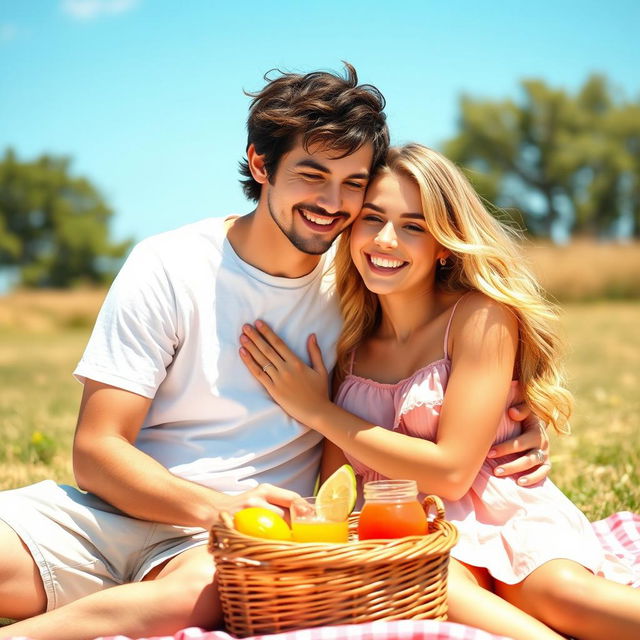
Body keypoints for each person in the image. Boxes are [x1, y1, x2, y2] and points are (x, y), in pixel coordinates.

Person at [0, 68, 547, 640]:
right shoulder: (168, 264)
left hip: (227, 547)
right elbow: (96, 450)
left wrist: (511, 427)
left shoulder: (360, 290)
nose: (332, 203)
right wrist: (220, 505)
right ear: (261, 166)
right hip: (108, 515)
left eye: (353, 183)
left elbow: (429, 376)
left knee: (205, 594)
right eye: (312, 175)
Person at [239, 143, 640, 640]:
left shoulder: (478, 316)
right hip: (413, 532)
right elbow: (337, 485)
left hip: (502, 512)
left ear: (445, 244)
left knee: (561, 593)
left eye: (414, 226)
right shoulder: (349, 343)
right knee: (435, 588)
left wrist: (316, 410)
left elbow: (452, 472)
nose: (386, 240)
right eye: (372, 219)